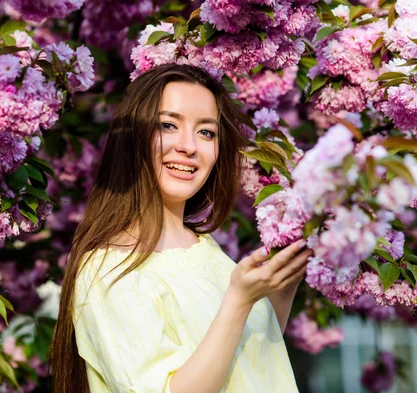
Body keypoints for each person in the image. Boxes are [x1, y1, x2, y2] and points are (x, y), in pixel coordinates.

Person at [50, 63, 313, 393]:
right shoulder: (108, 270)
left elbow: (250, 361)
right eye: (168, 125)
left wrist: (284, 284)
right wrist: (240, 300)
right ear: (133, 139)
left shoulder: (205, 249)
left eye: (206, 132)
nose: (189, 146)